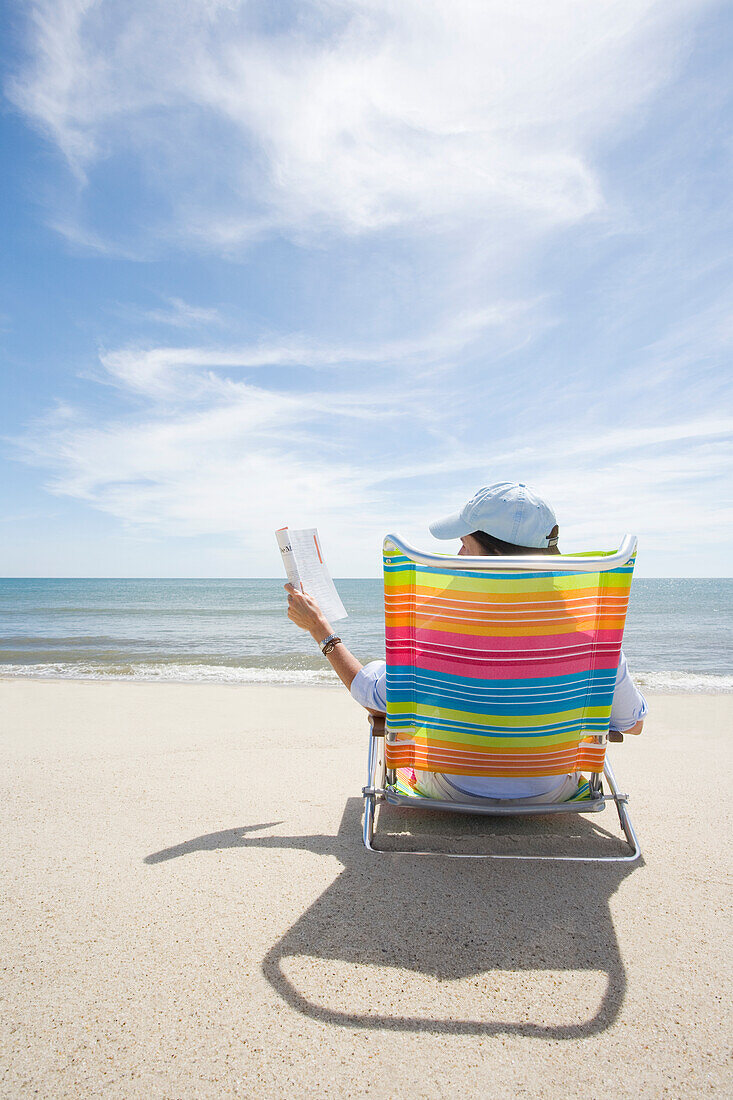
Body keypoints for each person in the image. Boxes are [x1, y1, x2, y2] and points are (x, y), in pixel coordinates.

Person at [285, 481, 647, 803]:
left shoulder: (439, 635)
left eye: (464, 545)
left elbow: (371, 696)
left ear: (496, 557)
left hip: (452, 787)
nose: (458, 557)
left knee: (386, 684)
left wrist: (320, 629)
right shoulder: (593, 640)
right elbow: (632, 723)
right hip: (553, 790)